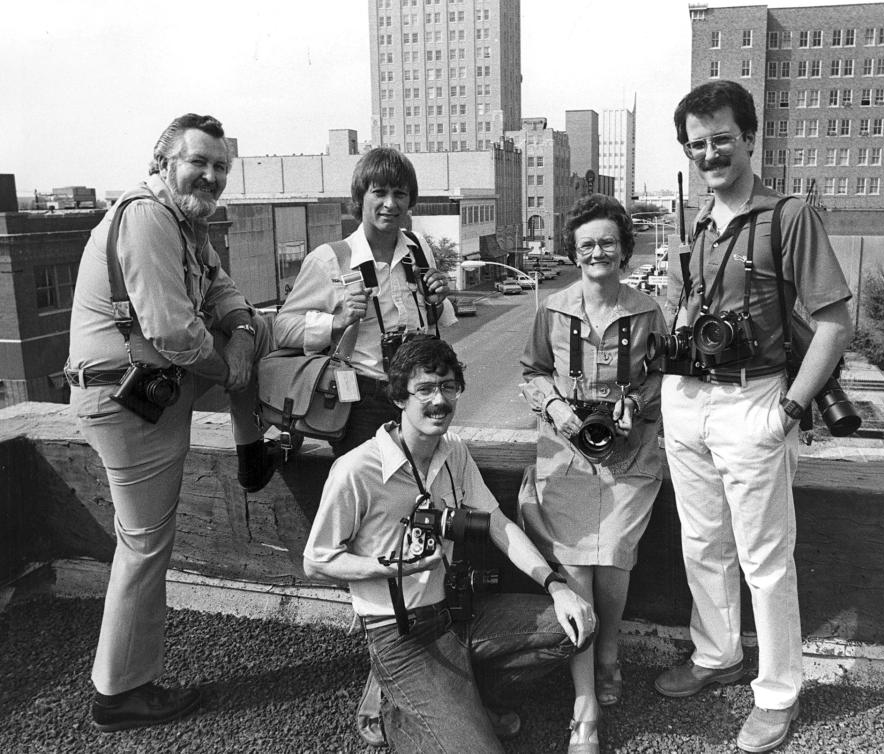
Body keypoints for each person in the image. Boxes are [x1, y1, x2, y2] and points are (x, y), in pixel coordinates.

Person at [655, 80, 853, 753]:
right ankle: (717, 655)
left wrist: (790, 411)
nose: (709, 152)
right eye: (697, 144)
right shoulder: (694, 222)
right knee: (701, 542)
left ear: (749, 137)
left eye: (720, 139)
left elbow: (833, 324)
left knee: (766, 558)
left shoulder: (788, 216)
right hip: (689, 400)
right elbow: (681, 315)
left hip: (756, 399)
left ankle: (777, 691)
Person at [67, 114, 278, 732]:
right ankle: (120, 694)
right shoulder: (148, 218)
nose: (210, 176)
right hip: (131, 403)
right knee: (143, 544)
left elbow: (224, 291)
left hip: (145, 400)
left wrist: (241, 334)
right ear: (163, 163)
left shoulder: (187, 225)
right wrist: (232, 364)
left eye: (220, 168)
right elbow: (174, 332)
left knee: (141, 541)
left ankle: (123, 682)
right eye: (199, 163)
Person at [302, 337, 596, 754]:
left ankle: (463, 700)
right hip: (400, 632)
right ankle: (398, 714)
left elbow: (497, 523)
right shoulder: (355, 471)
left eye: (448, 387)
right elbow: (317, 562)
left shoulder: (453, 450)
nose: (439, 400)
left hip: (459, 612)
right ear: (400, 397)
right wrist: (389, 567)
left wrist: (557, 587)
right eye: (425, 389)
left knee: (577, 628)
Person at [518, 193, 666, 754]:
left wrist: (638, 405)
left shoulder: (649, 311)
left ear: (625, 250)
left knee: (615, 559)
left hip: (630, 453)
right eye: (586, 244)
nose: (596, 251)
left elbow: (662, 373)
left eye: (607, 242)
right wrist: (556, 408)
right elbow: (532, 371)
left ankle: (608, 651)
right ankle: (584, 700)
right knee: (576, 563)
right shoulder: (552, 308)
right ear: (573, 251)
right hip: (566, 455)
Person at [273, 146, 455, 458]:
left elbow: (431, 317)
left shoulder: (418, 247)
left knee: (419, 486)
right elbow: (283, 329)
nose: (390, 203)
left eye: (400, 193)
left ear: (410, 200)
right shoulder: (331, 259)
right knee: (369, 494)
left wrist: (437, 299)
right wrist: (337, 320)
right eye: (379, 192)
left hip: (418, 395)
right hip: (361, 401)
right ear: (360, 199)